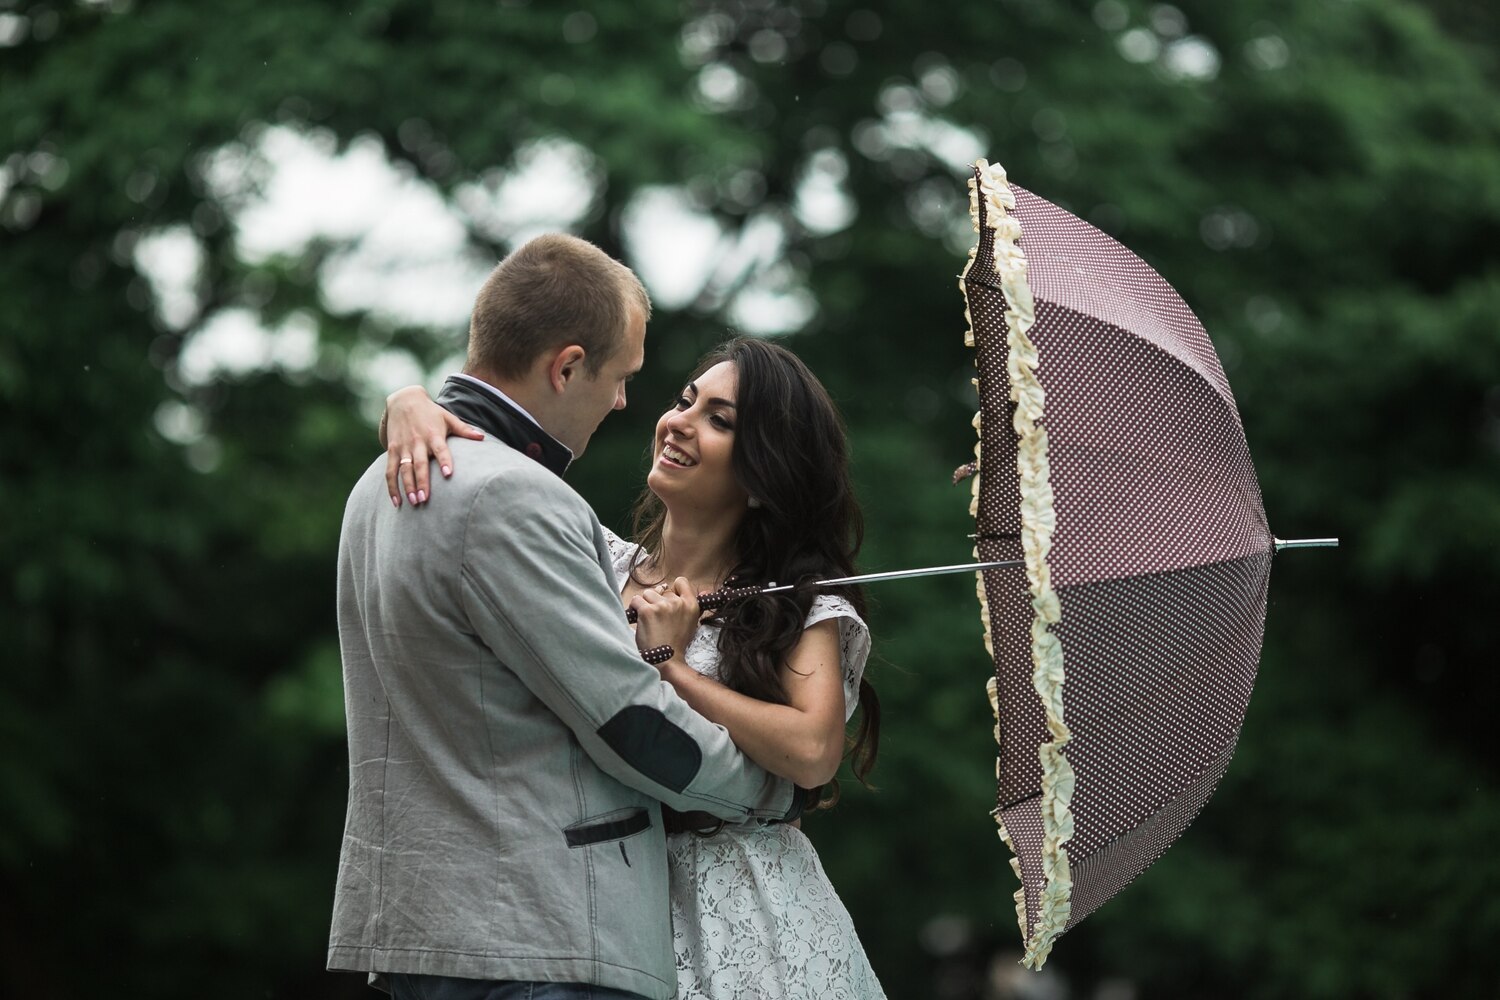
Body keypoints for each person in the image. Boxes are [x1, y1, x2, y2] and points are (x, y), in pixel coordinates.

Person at [328, 234, 801, 1000]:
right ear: (568, 366)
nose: (622, 403)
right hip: (538, 937)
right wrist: (776, 794)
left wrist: (409, 398)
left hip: (420, 934)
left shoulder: (375, 487)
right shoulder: (516, 497)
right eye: (620, 378)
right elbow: (629, 723)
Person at [383, 336, 888, 999]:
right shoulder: (597, 563)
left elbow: (814, 751)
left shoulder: (795, 605)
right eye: (687, 400)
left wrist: (674, 668)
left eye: (720, 419)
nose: (679, 422)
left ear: (764, 475)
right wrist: (407, 401)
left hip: (739, 912)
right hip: (594, 898)